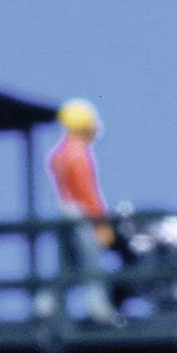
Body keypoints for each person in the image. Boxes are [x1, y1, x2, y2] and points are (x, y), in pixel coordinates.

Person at [45, 100, 117, 323]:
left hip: (64, 211)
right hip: (82, 214)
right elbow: (88, 192)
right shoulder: (79, 154)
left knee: (66, 265)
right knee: (91, 262)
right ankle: (99, 309)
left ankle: (46, 306)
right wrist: (101, 223)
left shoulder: (59, 154)